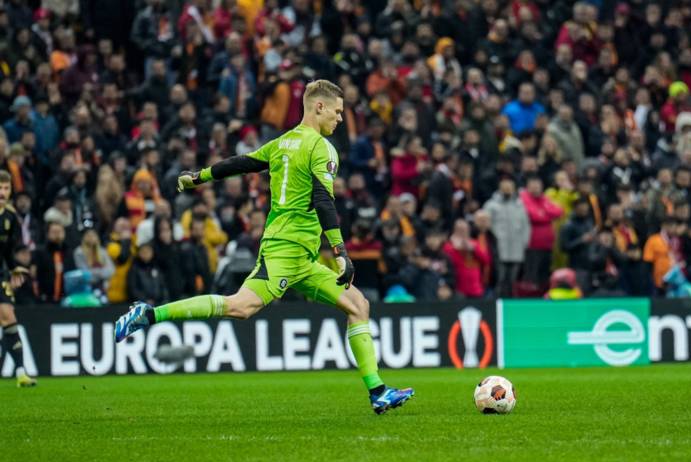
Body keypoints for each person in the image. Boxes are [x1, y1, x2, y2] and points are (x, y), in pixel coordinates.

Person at [114, 80, 413, 414]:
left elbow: (243, 163)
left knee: (358, 305)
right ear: (319, 107)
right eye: (338, 111)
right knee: (241, 307)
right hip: (285, 249)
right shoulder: (321, 147)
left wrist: (199, 177)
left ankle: (378, 392)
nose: (341, 118)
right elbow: (323, 199)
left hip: (302, 257)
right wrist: (341, 251)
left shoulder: (282, 142)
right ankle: (149, 314)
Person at [0, 172, 36, 386]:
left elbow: (7, 252)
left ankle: (21, 373)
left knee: (9, 317)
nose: (2, 192)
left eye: (6, 188)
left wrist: (14, 269)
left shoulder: (11, 217)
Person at [482, 176, 530, 297]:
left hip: (516, 249)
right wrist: (493, 241)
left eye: (510, 187)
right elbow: (485, 224)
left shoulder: (520, 205)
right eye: (505, 187)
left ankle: (511, 301)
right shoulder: (491, 205)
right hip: (498, 248)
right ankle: (497, 301)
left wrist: (524, 243)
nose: (508, 190)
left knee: (513, 280)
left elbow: (526, 226)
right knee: (500, 278)